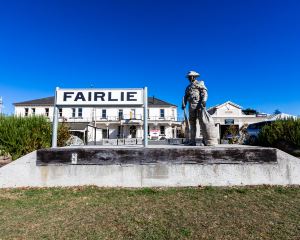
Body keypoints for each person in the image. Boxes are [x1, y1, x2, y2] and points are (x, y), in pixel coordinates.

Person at [182, 71, 218, 146]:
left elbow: (205, 93)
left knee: (203, 122)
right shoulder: (188, 87)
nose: (189, 78)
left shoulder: (200, 83)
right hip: (191, 106)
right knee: (192, 123)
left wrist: (204, 100)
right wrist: (184, 103)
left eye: (190, 77)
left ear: (193, 77)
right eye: (188, 77)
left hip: (199, 106)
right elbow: (185, 96)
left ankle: (206, 140)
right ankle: (192, 141)